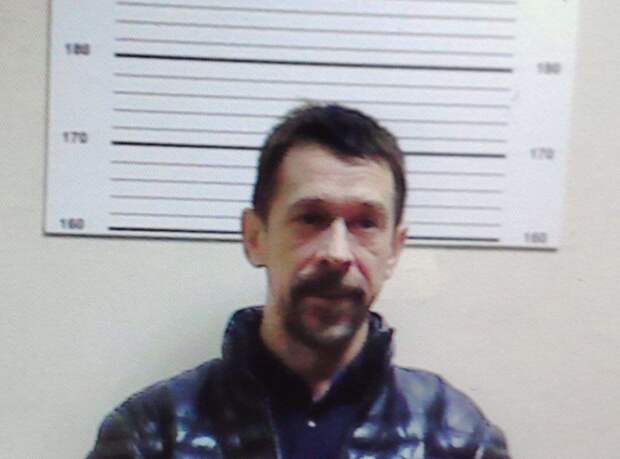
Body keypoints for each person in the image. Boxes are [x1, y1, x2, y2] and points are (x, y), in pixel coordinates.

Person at [88, 104, 510, 459]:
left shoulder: (456, 437)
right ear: (255, 238)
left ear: (394, 250)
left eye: (365, 223)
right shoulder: (150, 436)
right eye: (311, 218)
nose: (338, 253)